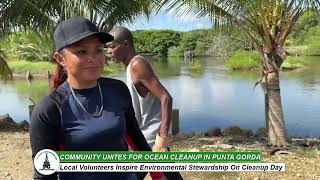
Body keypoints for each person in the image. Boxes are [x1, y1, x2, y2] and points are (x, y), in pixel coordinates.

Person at [29, 16, 163, 180]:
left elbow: (138, 141)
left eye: (98, 50)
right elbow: (44, 174)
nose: (93, 58)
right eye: (82, 51)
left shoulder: (118, 90)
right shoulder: (49, 109)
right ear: (60, 59)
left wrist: (158, 175)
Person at [107, 26, 173, 152]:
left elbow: (166, 97)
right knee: (166, 171)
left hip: (151, 139)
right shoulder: (129, 66)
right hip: (143, 135)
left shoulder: (138, 65)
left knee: (131, 172)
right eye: (107, 47)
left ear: (125, 44)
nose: (109, 51)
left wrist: (162, 139)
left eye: (112, 46)